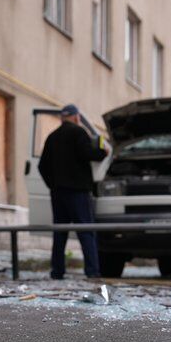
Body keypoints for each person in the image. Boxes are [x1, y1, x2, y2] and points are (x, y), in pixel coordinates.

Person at [38, 104, 108, 279]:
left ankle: (57, 271)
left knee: (59, 232)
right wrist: (103, 152)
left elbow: (42, 166)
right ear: (77, 117)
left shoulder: (52, 137)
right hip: (78, 192)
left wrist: (53, 185)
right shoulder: (79, 132)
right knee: (86, 231)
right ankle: (92, 271)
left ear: (62, 118)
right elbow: (88, 153)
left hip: (58, 193)